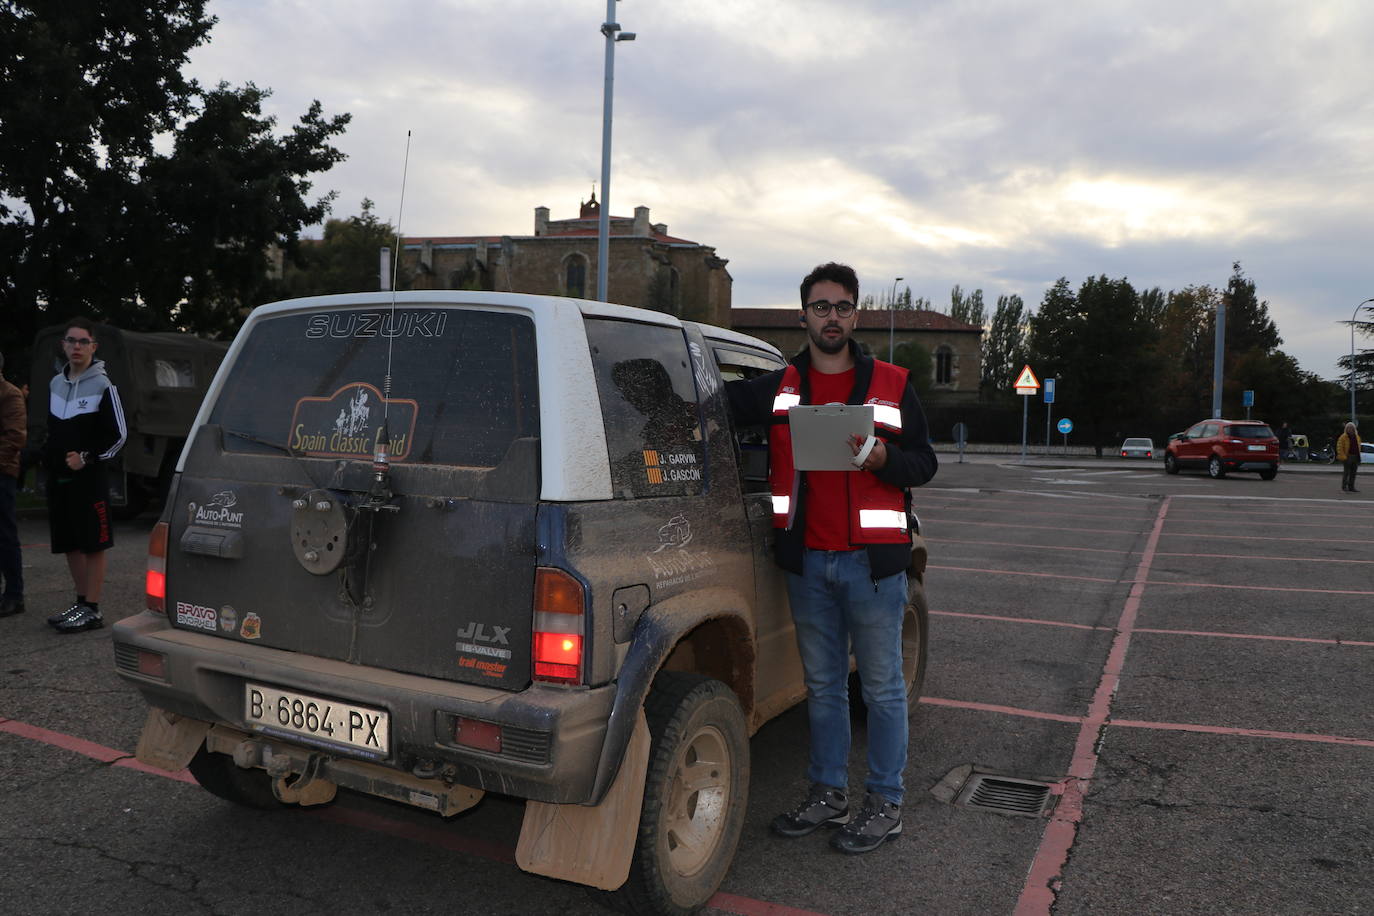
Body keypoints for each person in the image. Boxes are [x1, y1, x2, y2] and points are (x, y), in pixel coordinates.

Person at [726, 262, 938, 854]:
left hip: (873, 566)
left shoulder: (893, 384)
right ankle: (827, 795)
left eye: (842, 307)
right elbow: (710, 402)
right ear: (804, 316)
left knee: (882, 689)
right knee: (821, 687)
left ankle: (886, 803)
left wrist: (881, 460)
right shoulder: (780, 385)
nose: (832, 317)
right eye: (821, 307)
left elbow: (924, 463)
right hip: (809, 564)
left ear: (855, 314)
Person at [43, 319, 127, 633]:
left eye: (83, 341)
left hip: (89, 480)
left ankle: (92, 609)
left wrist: (87, 457)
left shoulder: (104, 385)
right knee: (70, 543)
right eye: (71, 341)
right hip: (60, 479)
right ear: (63, 345)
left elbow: (118, 435)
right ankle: (80, 602)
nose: (77, 347)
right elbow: (53, 430)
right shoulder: (55, 384)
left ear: (94, 346)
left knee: (93, 544)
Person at [0, 353, 26, 617]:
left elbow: (15, 437)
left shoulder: (10, 395)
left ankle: (14, 594)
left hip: (2, 474)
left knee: (5, 536)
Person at [1336, 421, 1361, 493]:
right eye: (1348, 428)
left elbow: (1358, 447)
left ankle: (1351, 487)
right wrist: (1343, 457)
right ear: (1346, 429)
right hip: (1347, 456)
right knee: (1346, 473)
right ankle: (1344, 487)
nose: (1350, 429)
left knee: (1353, 473)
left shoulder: (1357, 437)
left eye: (1352, 428)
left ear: (1354, 429)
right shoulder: (1343, 437)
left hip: (1355, 456)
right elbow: (1339, 447)